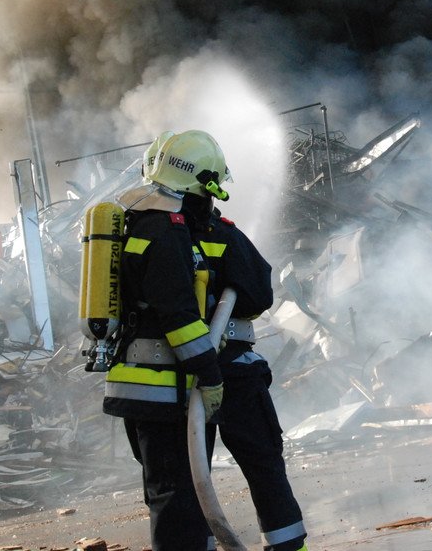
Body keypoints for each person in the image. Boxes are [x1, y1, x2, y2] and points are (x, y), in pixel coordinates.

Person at [102, 129, 308, 551]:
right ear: (208, 184)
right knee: (255, 469)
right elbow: (234, 299)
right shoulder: (188, 231)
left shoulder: (138, 228)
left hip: (157, 385)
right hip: (207, 377)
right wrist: (209, 373)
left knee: (176, 490)